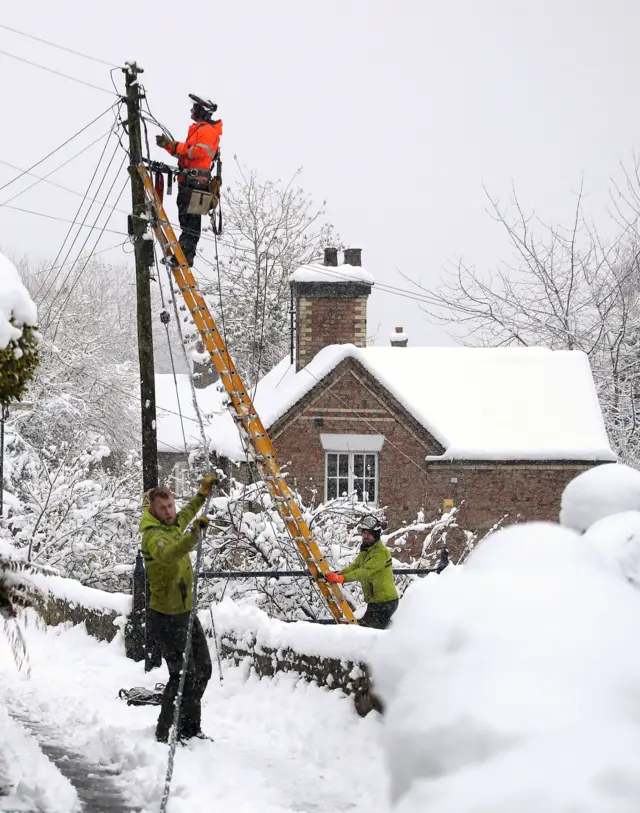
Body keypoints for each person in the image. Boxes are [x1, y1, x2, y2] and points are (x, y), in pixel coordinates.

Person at [140, 474, 218, 743]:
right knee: (182, 675)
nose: (170, 511)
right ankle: (166, 732)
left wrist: (202, 494)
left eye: (171, 505)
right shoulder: (153, 536)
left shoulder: (172, 523)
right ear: (153, 510)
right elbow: (170, 553)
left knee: (203, 669)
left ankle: (189, 728)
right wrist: (195, 535)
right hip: (167, 616)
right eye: (164, 508)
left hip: (185, 611)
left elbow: (186, 513)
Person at [156, 94, 223, 267]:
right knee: (186, 219)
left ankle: (185, 255)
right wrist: (169, 146)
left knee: (191, 221)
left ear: (201, 110)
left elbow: (197, 152)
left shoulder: (207, 131)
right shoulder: (198, 130)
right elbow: (186, 155)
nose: (191, 110)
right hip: (188, 181)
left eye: (194, 107)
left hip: (197, 182)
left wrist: (176, 145)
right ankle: (183, 254)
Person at [325, 515, 399, 629]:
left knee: (370, 632)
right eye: (363, 533)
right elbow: (355, 566)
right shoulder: (366, 550)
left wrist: (342, 579)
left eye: (368, 533)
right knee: (362, 629)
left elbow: (364, 571)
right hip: (375, 602)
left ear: (376, 534)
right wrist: (338, 574)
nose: (365, 536)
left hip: (386, 602)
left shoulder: (381, 553)